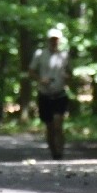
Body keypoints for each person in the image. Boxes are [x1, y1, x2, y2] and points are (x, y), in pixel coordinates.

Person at [27, 27, 70, 159]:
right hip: (45, 94)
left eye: (56, 40)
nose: (54, 42)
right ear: (48, 40)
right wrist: (41, 79)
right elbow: (31, 71)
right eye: (52, 39)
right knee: (50, 126)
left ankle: (60, 151)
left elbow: (70, 73)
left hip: (60, 94)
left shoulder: (64, 55)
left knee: (58, 124)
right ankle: (53, 152)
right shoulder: (40, 54)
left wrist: (67, 77)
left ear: (60, 41)